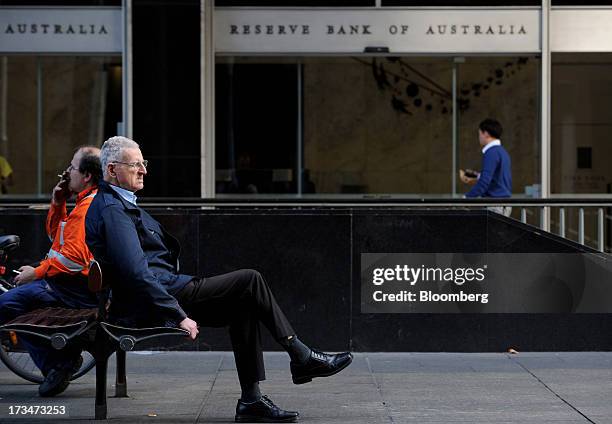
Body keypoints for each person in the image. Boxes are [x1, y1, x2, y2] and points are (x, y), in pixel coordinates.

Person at [85, 136, 352, 423]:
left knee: (244, 302)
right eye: (135, 164)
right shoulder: (113, 209)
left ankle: (252, 401)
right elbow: (136, 274)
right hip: (155, 299)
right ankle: (301, 356)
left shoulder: (118, 203)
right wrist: (177, 315)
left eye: (143, 163)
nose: (143, 170)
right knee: (250, 280)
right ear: (112, 170)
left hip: (163, 289)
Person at [0, 146, 102, 397]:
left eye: (71, 167)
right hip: (66, 285)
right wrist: (58, 202)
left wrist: (36, 273)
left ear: (87, 175)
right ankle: (60, 359)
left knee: (5, 304)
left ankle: (58, 363)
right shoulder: (83, 203)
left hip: (71, 291)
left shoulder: (89, 207)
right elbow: (57, 239)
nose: (66, 173)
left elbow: (75, 259)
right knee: (19, 299)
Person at [460, 118, 512, 216]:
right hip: (503, 204)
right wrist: (477, 176)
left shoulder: (491, 152)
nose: (479, 137)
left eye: (480, 134)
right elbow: (497, 178)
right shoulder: (502, 152)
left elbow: (485, 182)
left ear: (486, 134)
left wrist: (467, 198)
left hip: (495, 204)